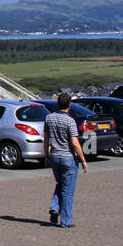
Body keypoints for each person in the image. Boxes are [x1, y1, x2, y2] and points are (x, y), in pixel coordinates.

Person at [46, 93, 87, 228]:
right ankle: (66, 221)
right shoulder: (70, 121)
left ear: (58, 104)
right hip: (68, 157)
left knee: (61, 183)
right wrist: (83, 160)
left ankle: (55, 207)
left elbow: (46, 138)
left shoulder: (49, 118)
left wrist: (46, 155)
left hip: (54, 156)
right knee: (68, 190)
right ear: (69, 105)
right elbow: (75, 142)